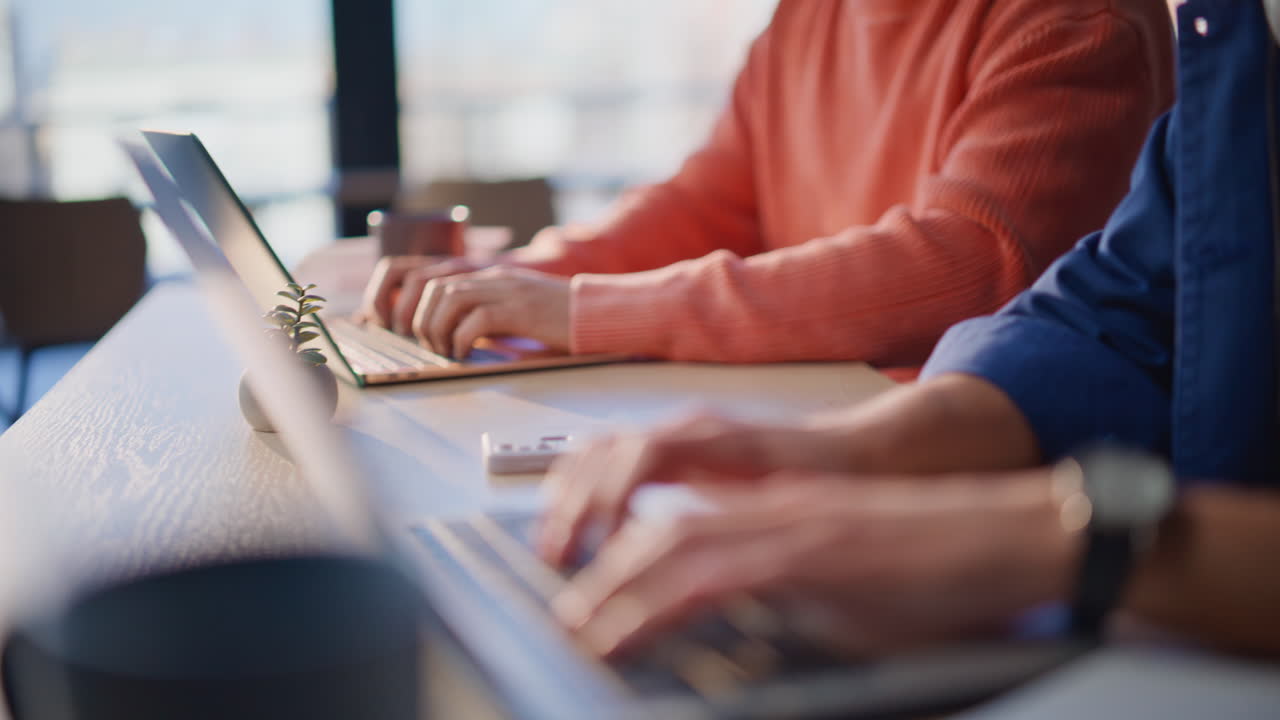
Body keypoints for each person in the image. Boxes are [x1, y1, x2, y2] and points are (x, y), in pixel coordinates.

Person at [533, 0, 1280, 660]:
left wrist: (1026, 534)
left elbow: (970, 260)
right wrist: (842, 451)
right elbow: (1118, 311)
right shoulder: (1246, 33)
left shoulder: (1089, 18)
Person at [362, 0, 1173, 370]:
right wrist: (522, 280)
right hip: (825, 425)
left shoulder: (1077, 21)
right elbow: (706, 205)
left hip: (972, 475)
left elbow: (965, 269)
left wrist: (584, 311)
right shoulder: (805, 19)